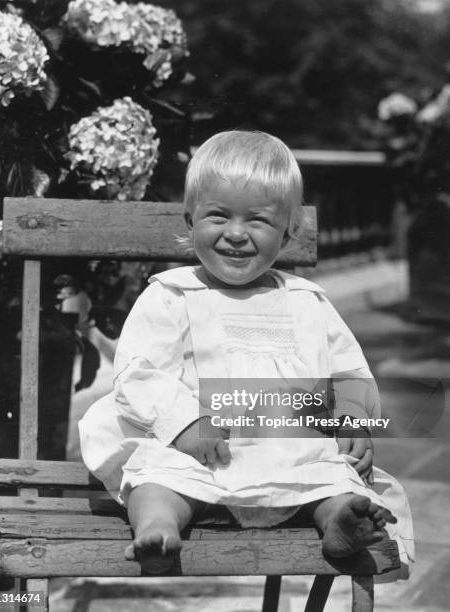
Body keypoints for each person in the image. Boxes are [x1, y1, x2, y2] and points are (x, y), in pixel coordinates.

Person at [79, 131, 414, 576]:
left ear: (288, 230)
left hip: (291, 456)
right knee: (155, 478)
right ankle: (158, 527)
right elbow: (139, 372)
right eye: (218, 215)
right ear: (190, 218)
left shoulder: (307, 300)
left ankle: (338, 520)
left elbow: (347, 365)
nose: (235, 234)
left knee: (332, 480)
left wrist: (353, 416)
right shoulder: (173, 295)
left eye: (257, 221)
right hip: (197, 456)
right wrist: (184, 423)